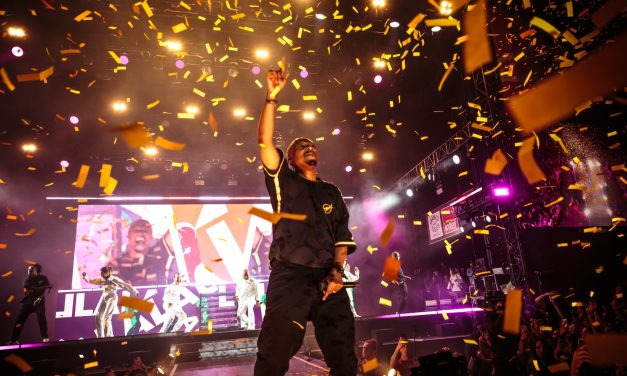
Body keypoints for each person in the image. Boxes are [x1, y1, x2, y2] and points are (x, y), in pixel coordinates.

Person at [254, 58, 358, 375]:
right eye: (301, 145)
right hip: (291, 276)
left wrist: (338, 272)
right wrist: (271, 97)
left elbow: (342, 235)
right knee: (274, 352)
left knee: (344, 357)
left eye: (312, 144)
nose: (308, 146)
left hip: (327, 278)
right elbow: (264, 142)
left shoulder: (332, 192)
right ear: (292, 159)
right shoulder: (284, 181)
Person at [82, 266, 138, 338]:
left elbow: (125, 285)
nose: (102, 274)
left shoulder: (114, 279)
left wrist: (135, 291)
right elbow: (91, 281)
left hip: (112, 297)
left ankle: (109, 336)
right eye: (101, 273)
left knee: (106, 317)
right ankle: (100, 336)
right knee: (98, 317)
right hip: (105, 296)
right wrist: (85, 276)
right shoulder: (101, 280)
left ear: (108, 273)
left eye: (103, 273)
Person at [9, 264, 52, 344]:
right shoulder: (26, 281)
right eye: (28, 269)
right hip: (28, 303)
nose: (29, 271)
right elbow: (36, 290)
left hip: (39, 303)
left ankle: (45, 338)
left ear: (36, 271)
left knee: (41, 318)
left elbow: (46, 289)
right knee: (19, 320)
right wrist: (45, 287)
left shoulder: (43, 278)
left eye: (31, 269)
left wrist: (40, 298)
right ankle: (13, 340)